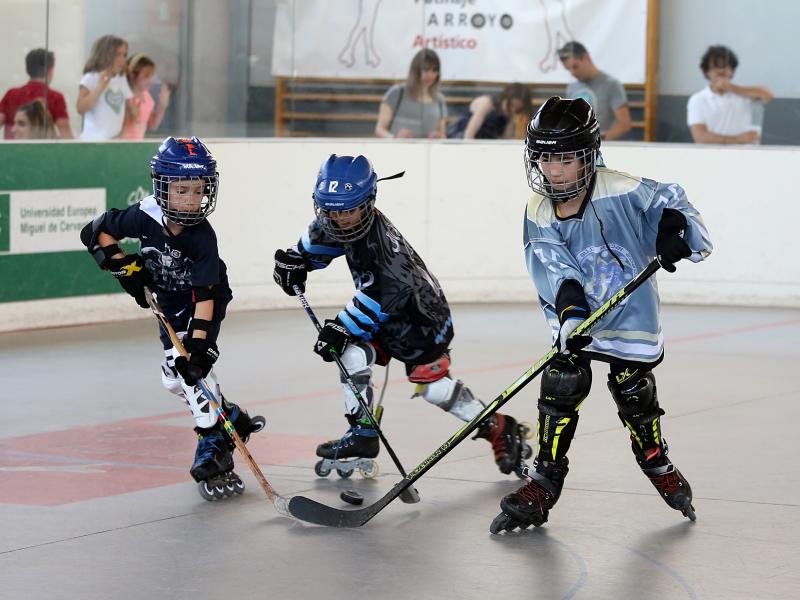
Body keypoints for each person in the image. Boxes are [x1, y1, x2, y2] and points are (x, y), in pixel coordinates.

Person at [490, 97, 713, 534]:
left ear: (589, 155)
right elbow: (556, 269)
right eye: (545, 158)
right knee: (562, 381)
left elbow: (674, 203)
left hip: (630, 311)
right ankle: (545, 480)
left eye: (565, 158)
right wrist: (572, 318)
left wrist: (672, 229)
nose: (553, 170)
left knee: (633, 389)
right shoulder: (538, 210)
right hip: (579, 316)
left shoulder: (623, 189)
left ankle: (654, 458)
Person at [273, 154, 531, 478]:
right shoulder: (344, 219)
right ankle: (363, 434)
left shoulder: (381, 247)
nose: (340, 219)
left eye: (348, 210)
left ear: (368, 203)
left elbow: (383, 293)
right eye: (331, 210)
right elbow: (322, 239)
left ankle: (499, 428)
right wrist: (296, 261)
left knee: (433, 388)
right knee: (350, 354)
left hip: (421, 318)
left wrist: (340, 327)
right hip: (385, 315)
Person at [79, 136, 265, 501]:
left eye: (198, 191)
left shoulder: (202, 238)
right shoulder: (144, 215)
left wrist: (199, 346)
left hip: (200, 300)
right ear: (161, 187)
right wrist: (124, 267)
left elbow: (206, 297)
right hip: (167, 298)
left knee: (185, 363)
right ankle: (232, 418)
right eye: (182, 190)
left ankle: (212, 441)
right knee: (173, 381)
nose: (191, 200)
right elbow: (96, 231)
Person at [687, 45, 774, 145]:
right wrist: (738, 139)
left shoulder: (744, 94)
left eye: (725, 67)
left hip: (746, 156)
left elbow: (768, 95)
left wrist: (733, 88)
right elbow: (700, 137)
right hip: (712, 156)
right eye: (716, 67)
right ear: (707, 72)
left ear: (732, 71)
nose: (721, 71)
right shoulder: (697, 99)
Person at [557, 41, 631, 140]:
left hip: (604, 146)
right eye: (568, 69)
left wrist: (599, 140)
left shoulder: (611, 84)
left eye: (575, 66)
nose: (573, 73)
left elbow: (624, 124)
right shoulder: (571, 87)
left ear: (586, 58)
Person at [0, 48, 73, 139]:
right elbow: (65, 133)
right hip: (39, 150)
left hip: (11, 149)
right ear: (50, 70)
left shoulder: (11, 94)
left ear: (27, 69)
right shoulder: (55, 97)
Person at [375, 49, 447, 139]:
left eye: (434, 70)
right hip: (399, 150)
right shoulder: (396, 93)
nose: (430, 74)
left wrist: (438, 136)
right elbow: (379, 129)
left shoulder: (440, 100)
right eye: (426, 70)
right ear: (415, 70)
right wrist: (394, 138)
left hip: (428, 150)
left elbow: (442, 134)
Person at [77, 35, 133, 140]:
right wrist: (100, 87)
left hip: (114, 141)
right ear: (105, 55)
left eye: (124, 55)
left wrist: (122, 134)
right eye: (117, 55)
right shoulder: (91, 78)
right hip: (92, 141)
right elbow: (81, 108)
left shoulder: (121, 79)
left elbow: (127, 111)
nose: (122, 60)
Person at [447, 83, 532, 139]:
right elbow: (469, 132)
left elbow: (506, 138)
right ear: (505, 97)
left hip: (483, 143)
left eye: (518, 109)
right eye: (511, 105)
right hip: (460, 136)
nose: (513, 110)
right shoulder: (487, 103)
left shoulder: (507, 116)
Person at [121, 53, 171, 139]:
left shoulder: (147, 97)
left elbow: (153, 125)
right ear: (132, 75)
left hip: (137, 146)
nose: (150, 81)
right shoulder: (124, 96)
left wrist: (162, 107)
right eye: (146, 76)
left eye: (151, 76)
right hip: (122, 145)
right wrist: (129, 115)